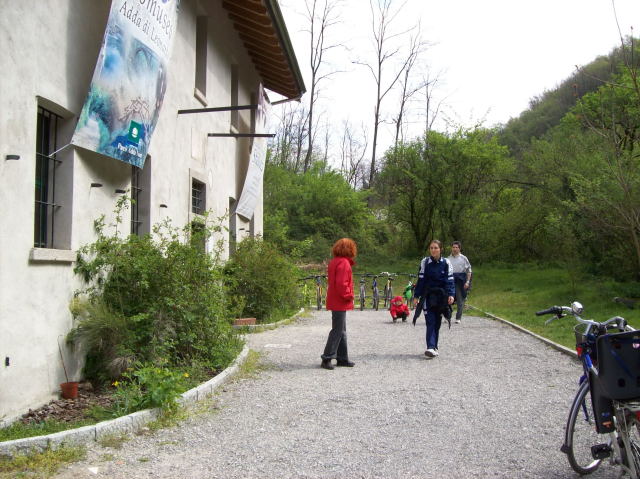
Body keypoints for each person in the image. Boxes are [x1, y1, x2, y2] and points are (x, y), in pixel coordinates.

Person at [413, 240, 455, 358]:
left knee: (437, 322)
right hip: (428, 296)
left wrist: (451, 294)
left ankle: (434, 347)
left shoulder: (446, 263)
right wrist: (416, 296)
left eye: (436, 248)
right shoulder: (425, 262)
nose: (433, 250)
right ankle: (430, 347)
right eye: (431, 248)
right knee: (430, 321)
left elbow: (450, 280)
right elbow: (421, 280)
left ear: (441, 249)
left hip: (441, 297)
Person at [321, 238, 357, 370]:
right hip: (340, 300)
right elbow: (342, 283)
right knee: (337, 330)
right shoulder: (344, 263)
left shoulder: (335, 261)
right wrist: (349, 295)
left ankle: (342, 358)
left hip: (335, 299)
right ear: (350, 249)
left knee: (341, 330)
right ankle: (327, 358)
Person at [447, 241, 472, 324]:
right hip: (450, 280)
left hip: (460, 281)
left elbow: (469, 271)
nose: (455, 249)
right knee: (448, 298)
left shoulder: (464, 258)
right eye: (453, 247)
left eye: (456, 247)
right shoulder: (448, 259)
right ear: (451, 248)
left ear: (459, 248)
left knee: (460, 299)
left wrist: (467, 282)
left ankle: (458, 318)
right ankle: (448, 315)